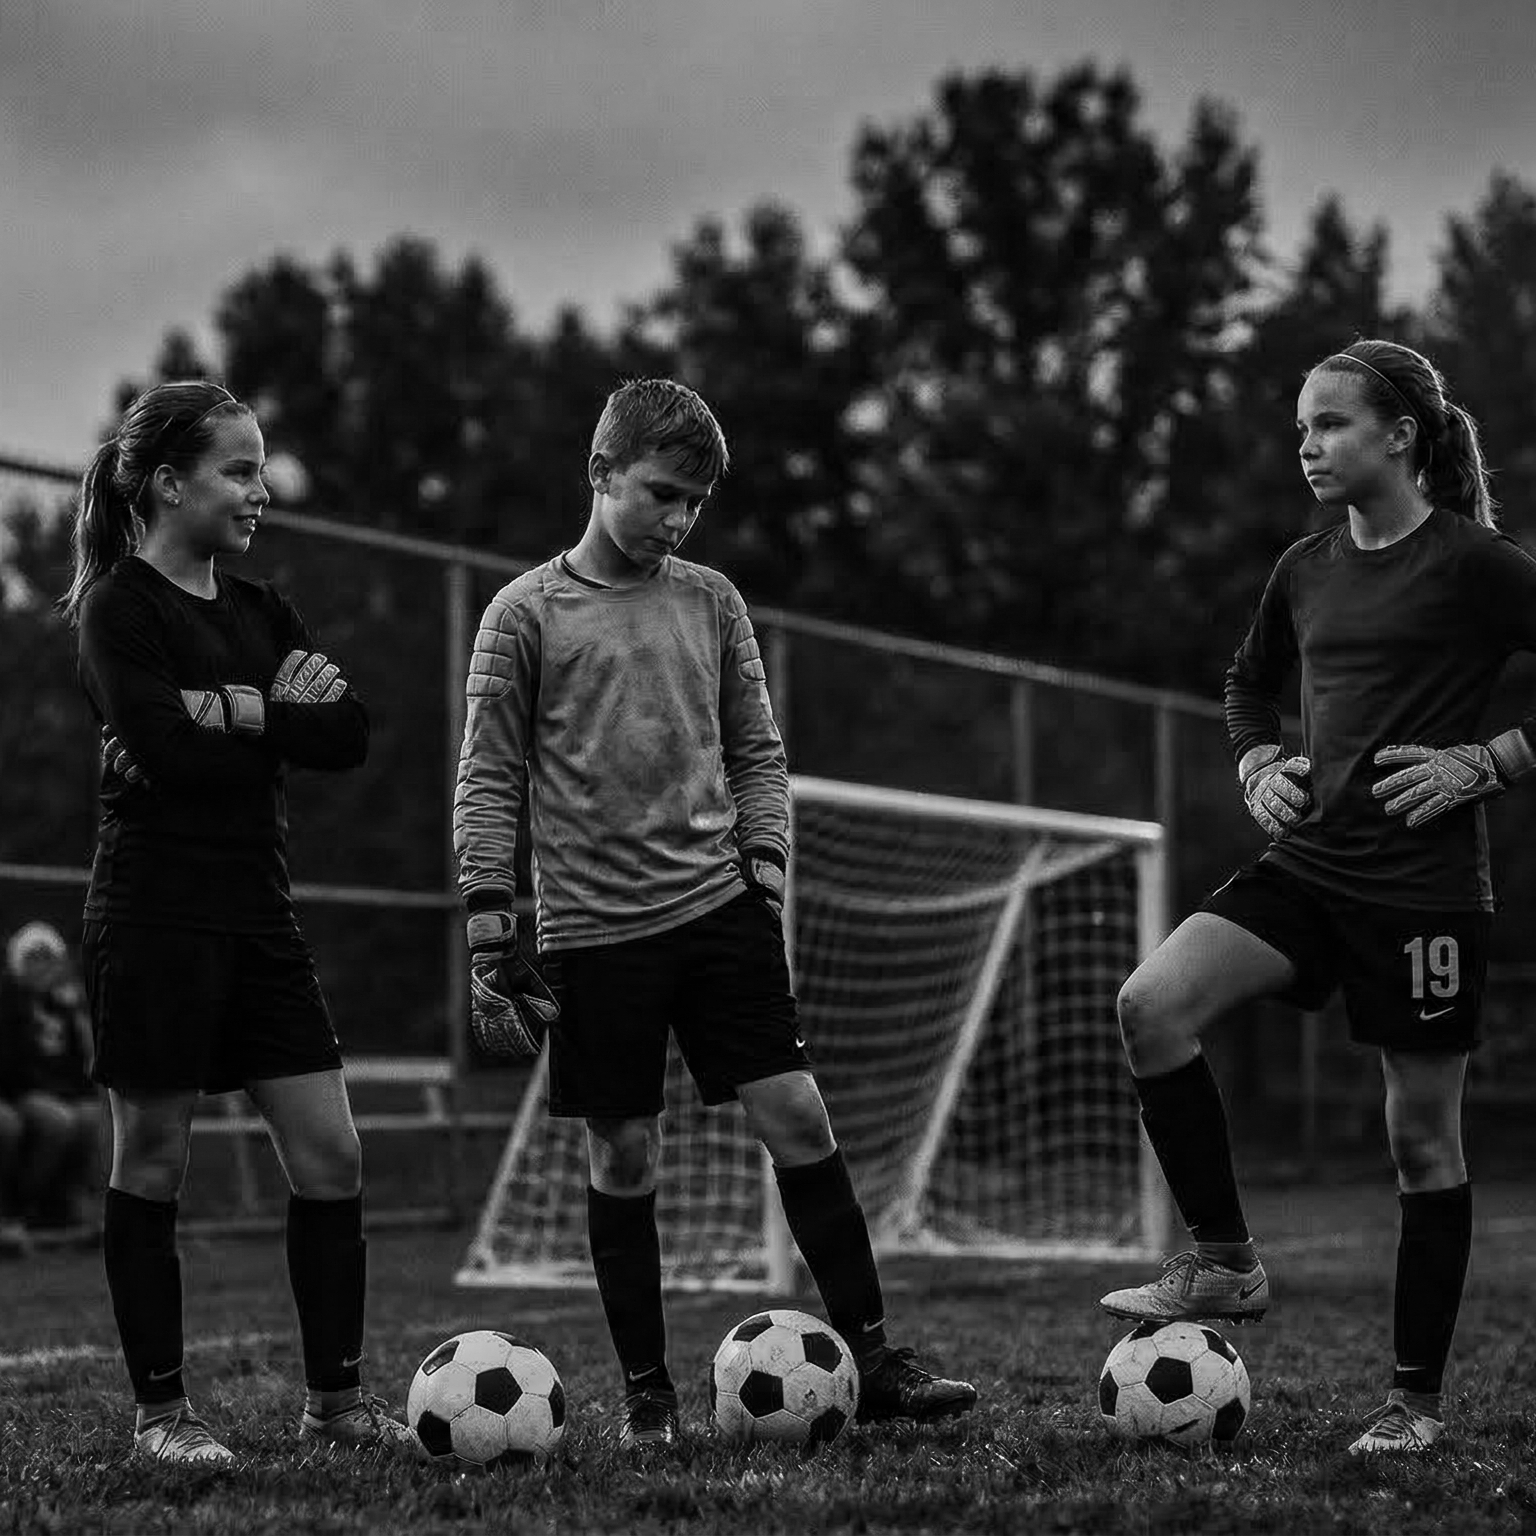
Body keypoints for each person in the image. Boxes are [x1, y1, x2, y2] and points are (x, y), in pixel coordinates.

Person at [453, 377, 979, 1450]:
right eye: (661, 494)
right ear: (601, 473)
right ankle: (648, 1401)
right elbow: (488, 778)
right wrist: (489, 927)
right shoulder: (522, 615)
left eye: (695, 502)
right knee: (624, 1156)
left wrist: (765, 869)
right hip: (592, 935)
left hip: (716, 912)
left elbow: (758, 753)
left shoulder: (713, 601)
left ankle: (877, 1362)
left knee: (800, 1116)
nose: (679, 519)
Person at [1098, 339, 1536, 1455]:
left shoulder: (1478, 564)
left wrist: (1489, 763)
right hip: (1310, 869)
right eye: (1302, 426)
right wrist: (1256, 764)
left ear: (1401, 436)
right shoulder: (1304, 567)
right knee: (1152, 1005)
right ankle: (1225, 1260)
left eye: (1332, 423)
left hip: (1425, 896)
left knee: (1421, 1145)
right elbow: (1248, 684)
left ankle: (1414, 1407)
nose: (1309, 444)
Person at [62, 379, 417, 1466]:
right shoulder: (119, 607)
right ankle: (162, 1419)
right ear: (170, 484)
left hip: (259, 919)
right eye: (241, 471)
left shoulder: (264, 612)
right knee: (153, 1156)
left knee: (332, 1154)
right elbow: (164, 754)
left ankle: (337, 1407)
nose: (261, 491)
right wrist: (268, 722)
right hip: (153, 917)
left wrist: (233, 708)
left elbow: (348, 733)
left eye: (261, 470)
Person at [0, 921, 103, 1231]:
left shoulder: (62, 1008)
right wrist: (35, 1091)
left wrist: (80, 1092)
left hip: (51, 1092)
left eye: (48, 958)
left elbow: (77, 1062)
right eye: (34, 958)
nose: (42, 966)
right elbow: (11, 1063)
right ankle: (20, 1203)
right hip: (19, 1091)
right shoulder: (7, 1001)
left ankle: (63, 1203)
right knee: (54, 1121)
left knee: (90, 1116)